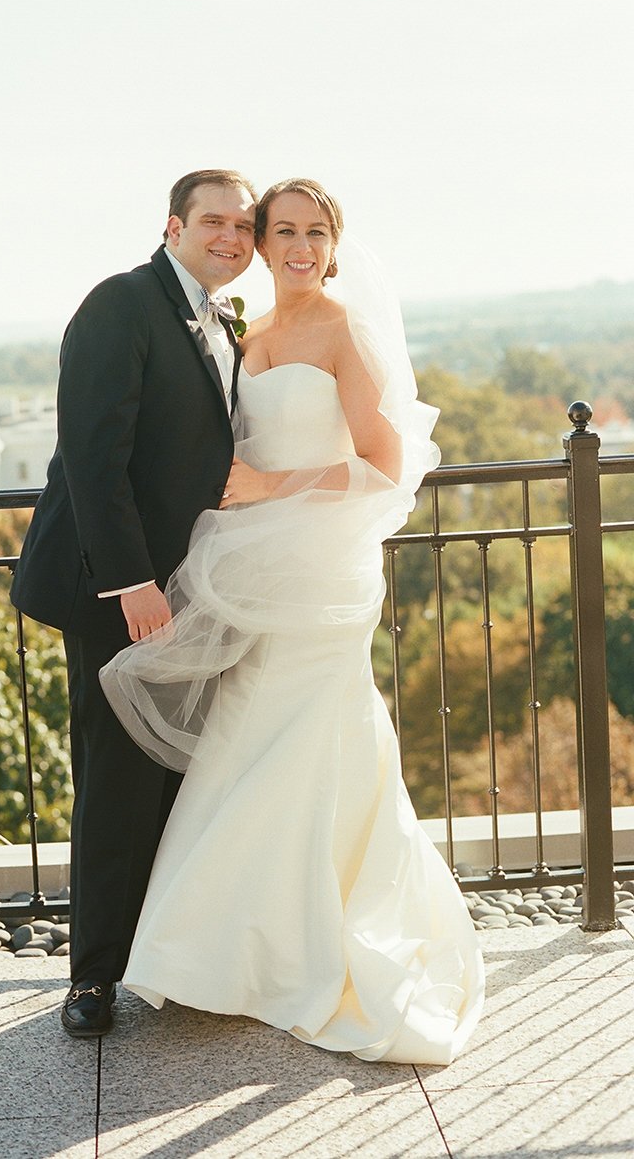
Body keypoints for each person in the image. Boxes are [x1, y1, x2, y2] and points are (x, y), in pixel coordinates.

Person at [100, 178, 485, 1065]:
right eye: (284, 231)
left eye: (316, 232)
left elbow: (386, 465)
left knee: (310, 736)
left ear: (333, 244)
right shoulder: (246, 334)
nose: (300, 247)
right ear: (262, 244)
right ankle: (230, 949)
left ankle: (307, 943)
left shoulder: (342, 330)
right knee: (248, 735)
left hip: (324, 573)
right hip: (254, 569)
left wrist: (274, 488)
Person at [10, 169, 258, 1037]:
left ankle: (162, 956)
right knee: (116, 778)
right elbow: (92, 453)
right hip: (118, 591)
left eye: (244, 224)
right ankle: (90, 982)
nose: (232, 236)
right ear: (173, 225)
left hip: (188, 588)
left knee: (174, 773)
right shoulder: (120, 303)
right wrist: (132, 585)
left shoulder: (227, 319)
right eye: (215, 221)